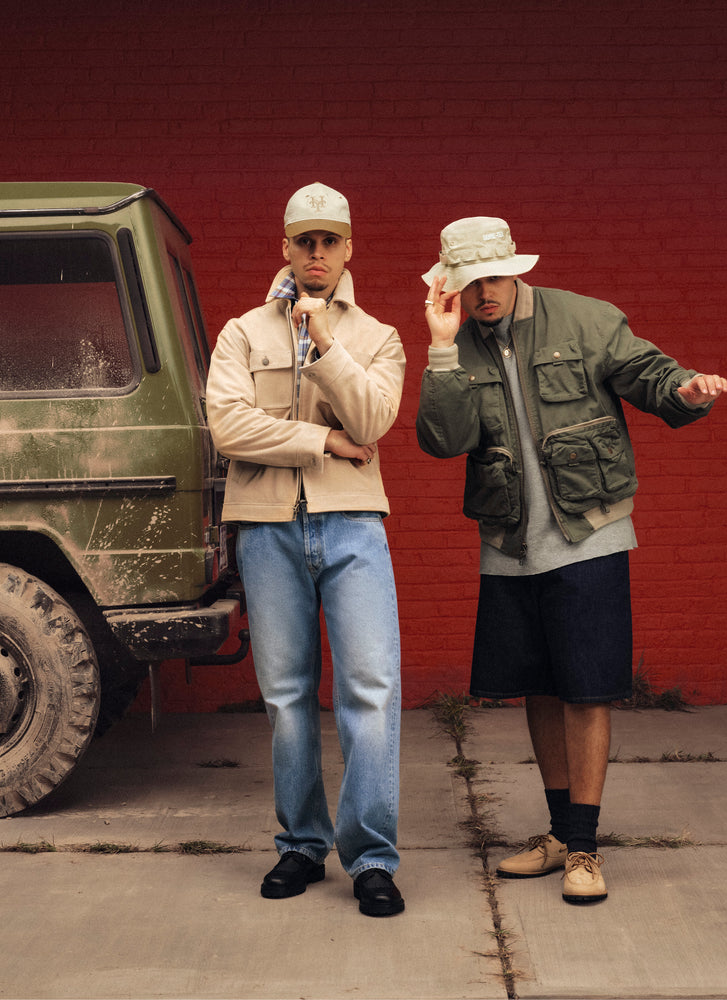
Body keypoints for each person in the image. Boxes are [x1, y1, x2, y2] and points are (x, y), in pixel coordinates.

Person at [416, 216, 727, 904]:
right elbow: (443, 440)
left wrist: (685, 390)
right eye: (469, 283)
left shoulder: (584, 319)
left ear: (514, 270)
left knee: (587, 688)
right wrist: (440, 350)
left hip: (588, 533)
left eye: (493, 277)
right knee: (539, 686)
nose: (484, 293)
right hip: (508, 541)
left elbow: (647, 373)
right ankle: (559, 834)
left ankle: (586, 848)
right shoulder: (459, 344)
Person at [206, 182, 406, 917]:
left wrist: (323, 341)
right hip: (266, 528)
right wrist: (321, 440)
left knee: (370, 691)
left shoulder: (378, 337)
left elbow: (374, 418)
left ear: (349, 247)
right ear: (284, 247)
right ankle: (300, 845)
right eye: (305, 241)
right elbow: (229, 429)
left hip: (354, 525)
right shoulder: (240, 333)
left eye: (330, 241)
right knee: (287, 697)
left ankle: (373, 859)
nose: (317, 253)